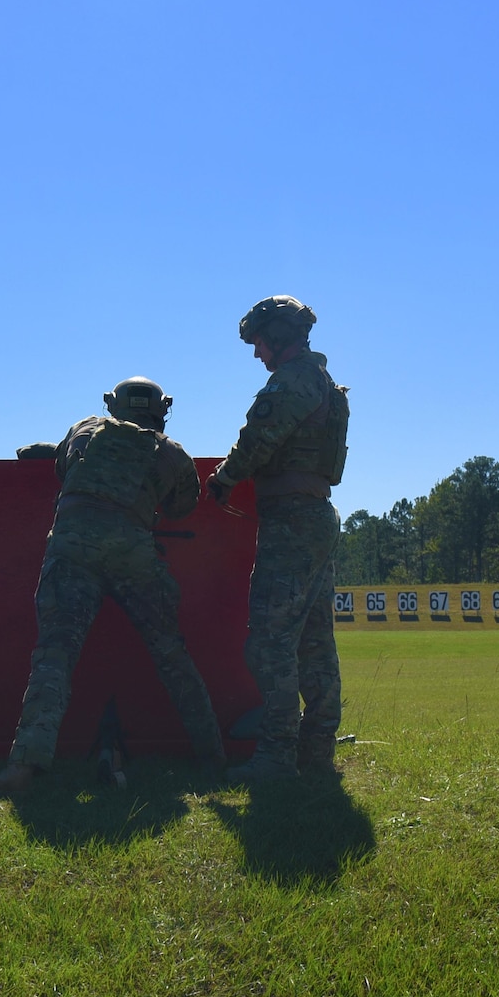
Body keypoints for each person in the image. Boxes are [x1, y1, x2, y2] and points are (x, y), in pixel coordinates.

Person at [0, 378, 228, 794]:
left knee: (54, 657)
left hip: (72, 548)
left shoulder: (84, 429)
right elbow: (182, 507)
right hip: (134, 554)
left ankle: (24, 767)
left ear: (114, 405)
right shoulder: (172, 453)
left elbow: (62, 468)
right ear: (160, 410)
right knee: (172, 656)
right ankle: (215, 760)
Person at [207, 297, 349, 780]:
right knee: (313, 642)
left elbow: (256, 441)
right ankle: (316, 754)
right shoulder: (323, 381)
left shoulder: (291, 382)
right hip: (316, 516)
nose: (257, 354)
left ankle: (275, 757)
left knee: (269, 643)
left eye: (260, 343)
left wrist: (223, 479)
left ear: (280, 337)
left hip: (291, 522)